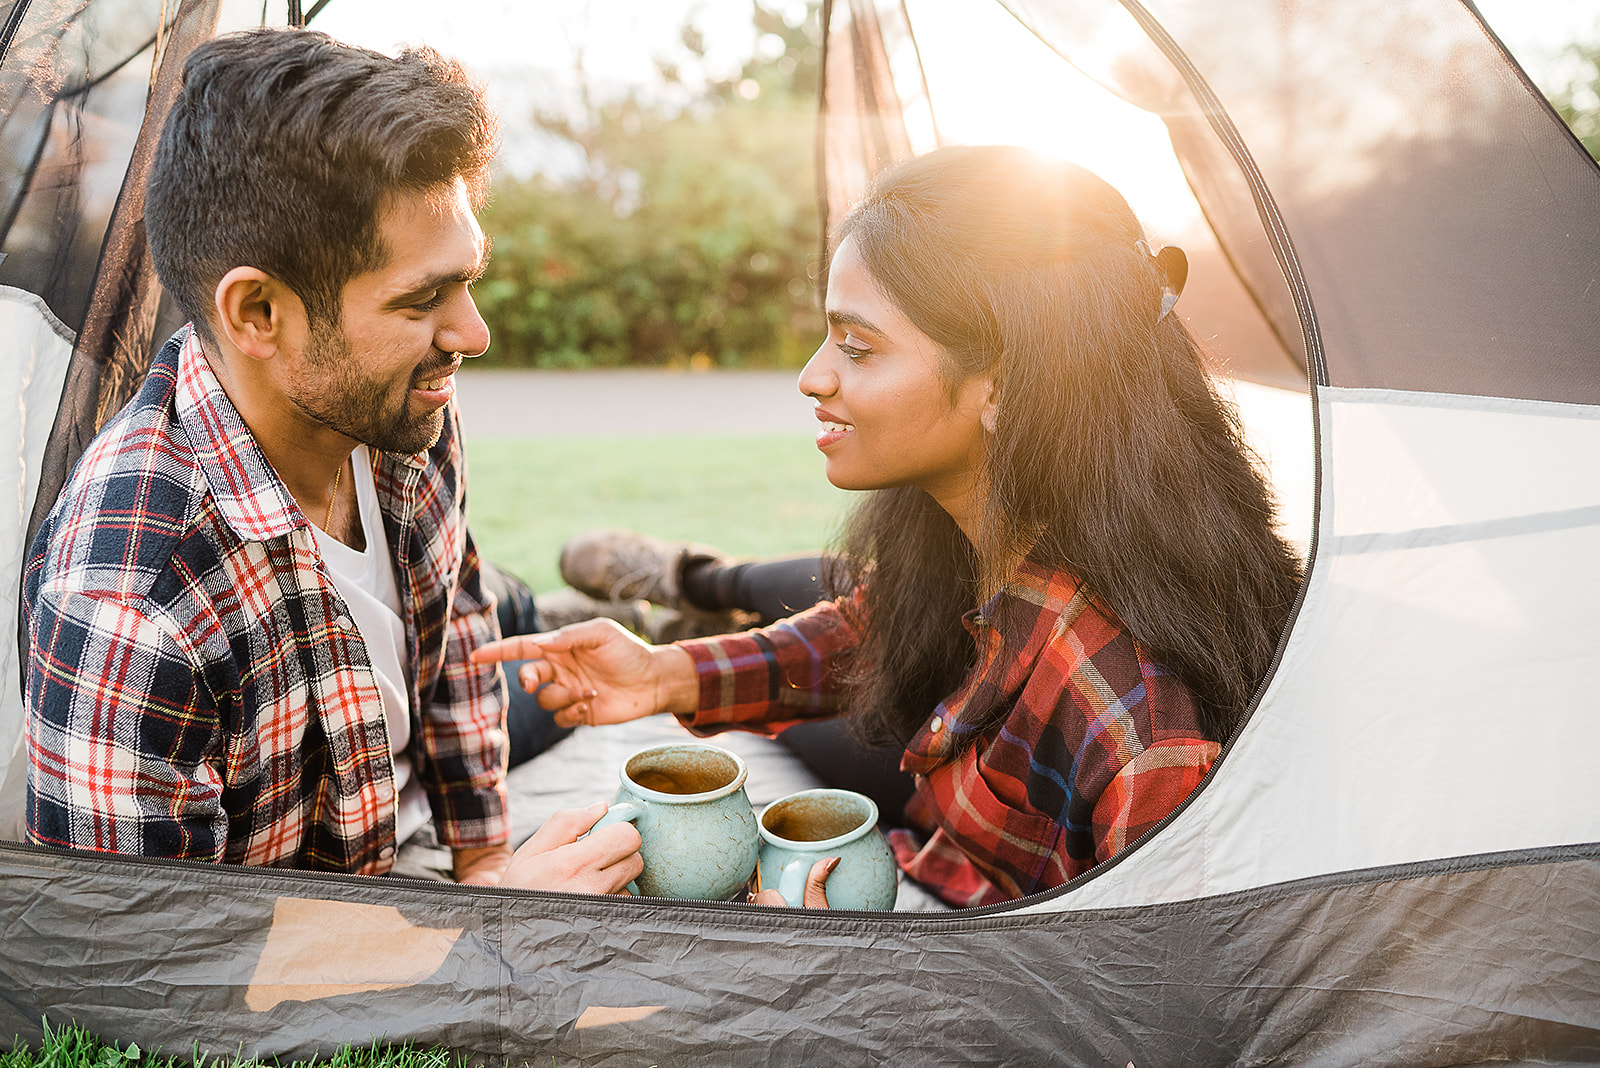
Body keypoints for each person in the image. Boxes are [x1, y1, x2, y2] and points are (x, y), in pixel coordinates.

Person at [475, 145, 1304, 908]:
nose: (812, 375)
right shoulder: (1001, 530)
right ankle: (684, 596)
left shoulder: (1146, 724)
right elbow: (885, 629)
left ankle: (685, 584)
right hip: (938, 856)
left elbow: (1147, 1010)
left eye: (858, 347)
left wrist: (863, 967)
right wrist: (664, 676)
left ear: (1005, 386)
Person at [20, 28, 641, 895]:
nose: (475, 334)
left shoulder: (398, 408)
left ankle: (624, 604)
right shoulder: (129, 609)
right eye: (424, 298)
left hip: (395, 766)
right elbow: (154, 977)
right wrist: (494, 937)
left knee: (528, 648)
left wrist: (488, 860)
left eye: (469, 281)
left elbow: (454, 608)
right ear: (258, 312)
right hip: (334, 902)